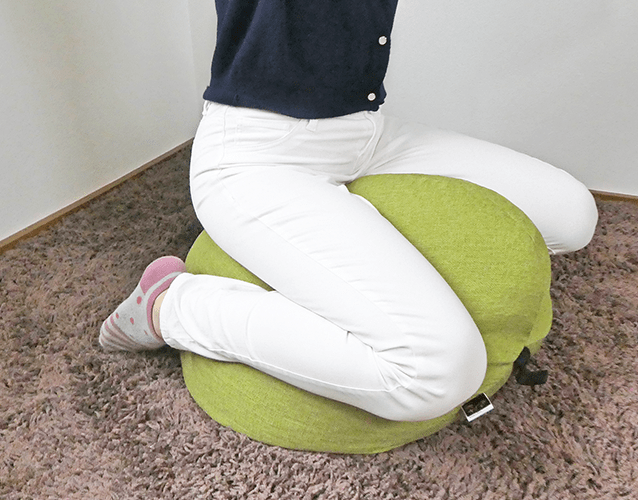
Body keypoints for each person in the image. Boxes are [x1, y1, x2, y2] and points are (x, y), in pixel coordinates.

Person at [100, 0, 598, 422]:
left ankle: (351, 238)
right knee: (437, 373)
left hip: (366, 134)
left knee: (572, 216)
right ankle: (170, 308)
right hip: (256, 154)